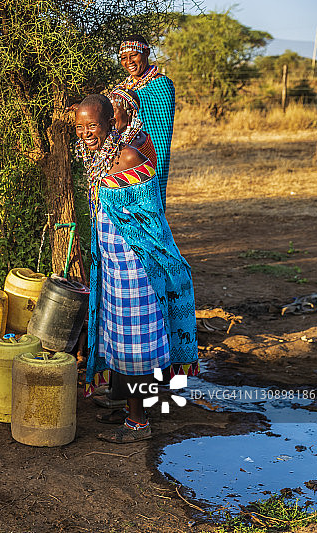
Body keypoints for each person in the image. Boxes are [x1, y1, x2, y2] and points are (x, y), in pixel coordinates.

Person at [75, 94, 198, 443]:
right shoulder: (95, 156)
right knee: (119, 339)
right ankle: (127, 405)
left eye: (92, 126)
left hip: (134, 267)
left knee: (135, 345)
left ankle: (138, 421)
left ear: (110, 124)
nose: (85, 133)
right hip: (111, 265)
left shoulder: (128, 156)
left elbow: (150, 214)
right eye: (80, 127)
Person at [114, 35, 175, 209]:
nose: (129, 62)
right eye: (124, 58)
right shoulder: (122, 87)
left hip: (153, 154)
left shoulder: (162, 84)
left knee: (150, 201)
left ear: (146, 53)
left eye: (133, 55)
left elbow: (138, 99)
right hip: (124, 156)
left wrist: (121, 97)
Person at [110, 88, 157, 168]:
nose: (110, 116)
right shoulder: (119, 138)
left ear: (130, 113)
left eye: (114, 111)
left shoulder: (135, 145)